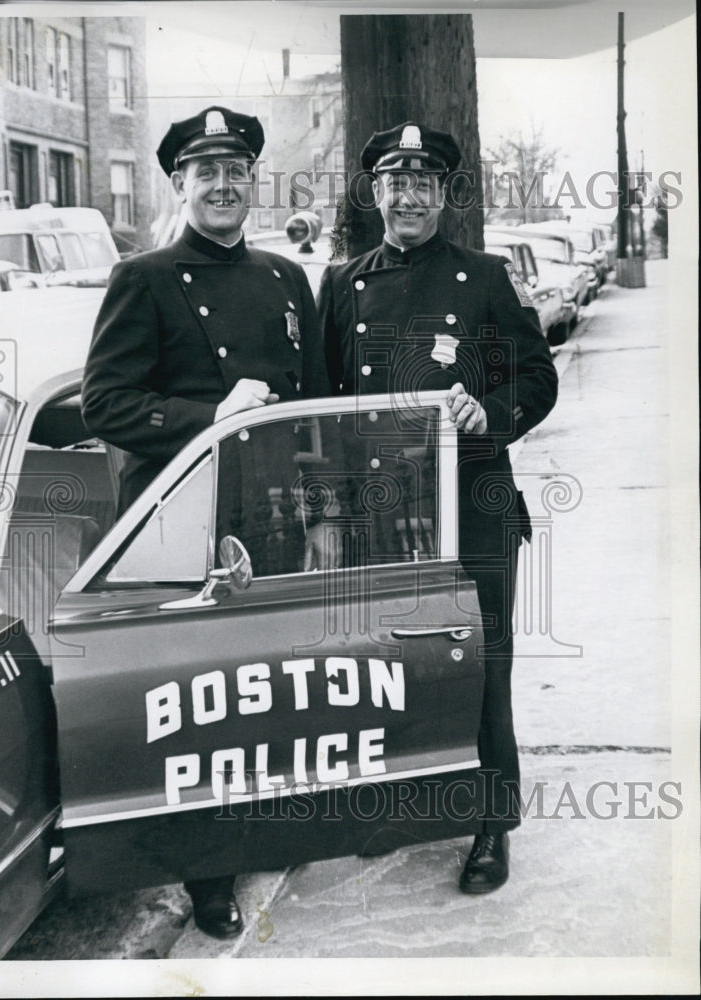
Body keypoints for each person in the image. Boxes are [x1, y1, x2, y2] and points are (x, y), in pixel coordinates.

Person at [81, 105, 330, 938]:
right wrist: (210, 413)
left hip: (269, 510)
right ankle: (208, 873)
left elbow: (321, 408)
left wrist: (326, 509)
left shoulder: (285, 278)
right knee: (201, 701)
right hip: (178, 519)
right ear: (180, 183)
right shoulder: (144, 278)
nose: (223, 185)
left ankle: (266, 830)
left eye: (236, 171)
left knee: (268, 684)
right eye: (205, 172)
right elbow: (107, 403)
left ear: (253, 182)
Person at [318, 120, 558, 894]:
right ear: (376, 193)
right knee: (389, 663)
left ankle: (492, 821)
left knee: (483, 662)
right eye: (396, 181)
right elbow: (320, 410)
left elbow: (537, 376)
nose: (409, 195)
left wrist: (491, 411)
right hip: (379, 511)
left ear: (444, 195)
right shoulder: (342, 282)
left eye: (425, 182)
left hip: (473, 503)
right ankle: (403, 805)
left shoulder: (485, 277)